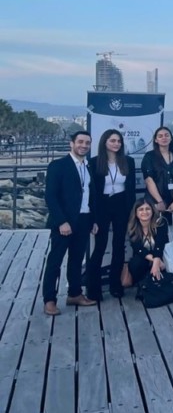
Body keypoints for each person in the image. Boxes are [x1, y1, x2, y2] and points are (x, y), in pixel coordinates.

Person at [42, 130, 98, 315]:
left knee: (76, 260)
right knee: (55, 261)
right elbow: (51, 196)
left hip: (84, 219)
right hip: (64, 222)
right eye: (80, 142)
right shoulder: (58, 166)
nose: (84, 145)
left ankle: (75, 294)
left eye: (87, 143)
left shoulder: (88, 166)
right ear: (71, 144)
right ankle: (49, 300)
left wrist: (93, 220)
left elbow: (90, 196)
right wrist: (61, 221)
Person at [87, 128, 136, 301]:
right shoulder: (94, 163)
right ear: (104, 142)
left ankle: (116, 285)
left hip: (121, 205)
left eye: (118, 141)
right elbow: (91, 192)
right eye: (112, 140)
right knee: (99, 247)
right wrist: (92, 217)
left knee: (118, 245)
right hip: (102, 206)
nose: (116, 144)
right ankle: (94, 288)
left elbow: (130, 189)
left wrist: (132, 212)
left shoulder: (128, 161)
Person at [141, 126, 173, 231]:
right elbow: (149, 180)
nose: (164, 138)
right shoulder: (149, 157)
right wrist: (159, 201)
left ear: (171, 138)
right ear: (156, 140)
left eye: (166, 135)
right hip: (154, 201)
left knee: (171, 234)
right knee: (154, 231)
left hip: (172, 202)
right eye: (160, 136)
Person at [126, 197, 170, 287]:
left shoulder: (161, 222)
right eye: (141, 209)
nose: (144, 212)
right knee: (135, 263)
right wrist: (155, 261)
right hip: (145, 258)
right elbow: (138, 249)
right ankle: (144, 283)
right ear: (136, 213)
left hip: (162, 256)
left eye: (147, 209)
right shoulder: (132, 226)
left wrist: (157, 261)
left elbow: (160, 245)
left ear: (152, 210)